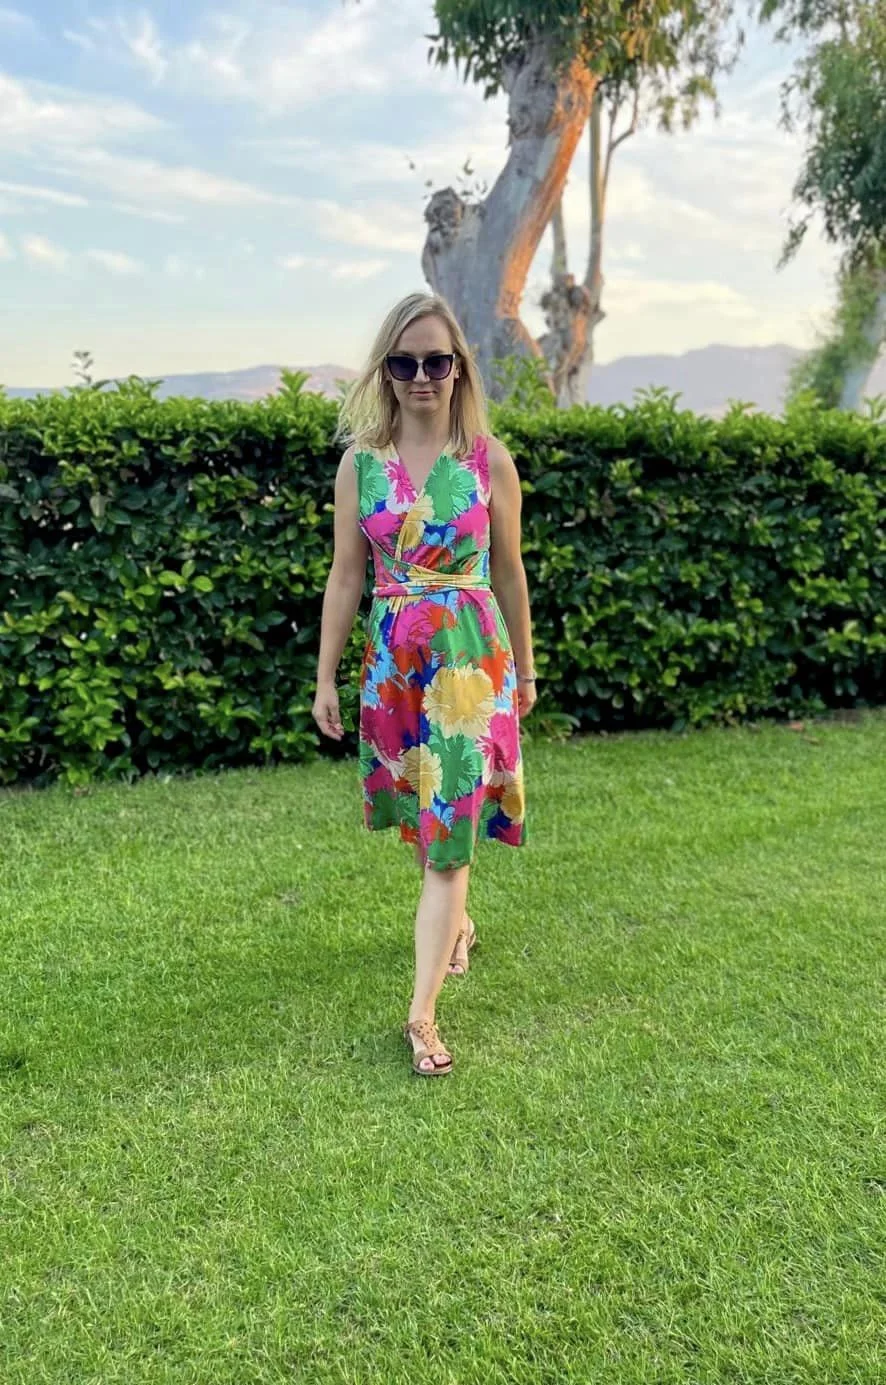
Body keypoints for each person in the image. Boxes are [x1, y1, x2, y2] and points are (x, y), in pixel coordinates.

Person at [312, 291, 537, 1077]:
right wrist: (324, 678)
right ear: (385, 370)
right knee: (425, 816)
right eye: (403, 363)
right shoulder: (360, 465)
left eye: (436, 362)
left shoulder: (488, 460)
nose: (420, 377)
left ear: (459, 368)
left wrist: (527, 669)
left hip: (471, 669)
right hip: (395, 671)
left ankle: (422, 1013)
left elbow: (509, 571)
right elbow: (346, 576)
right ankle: (458, 925)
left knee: (448, 836)